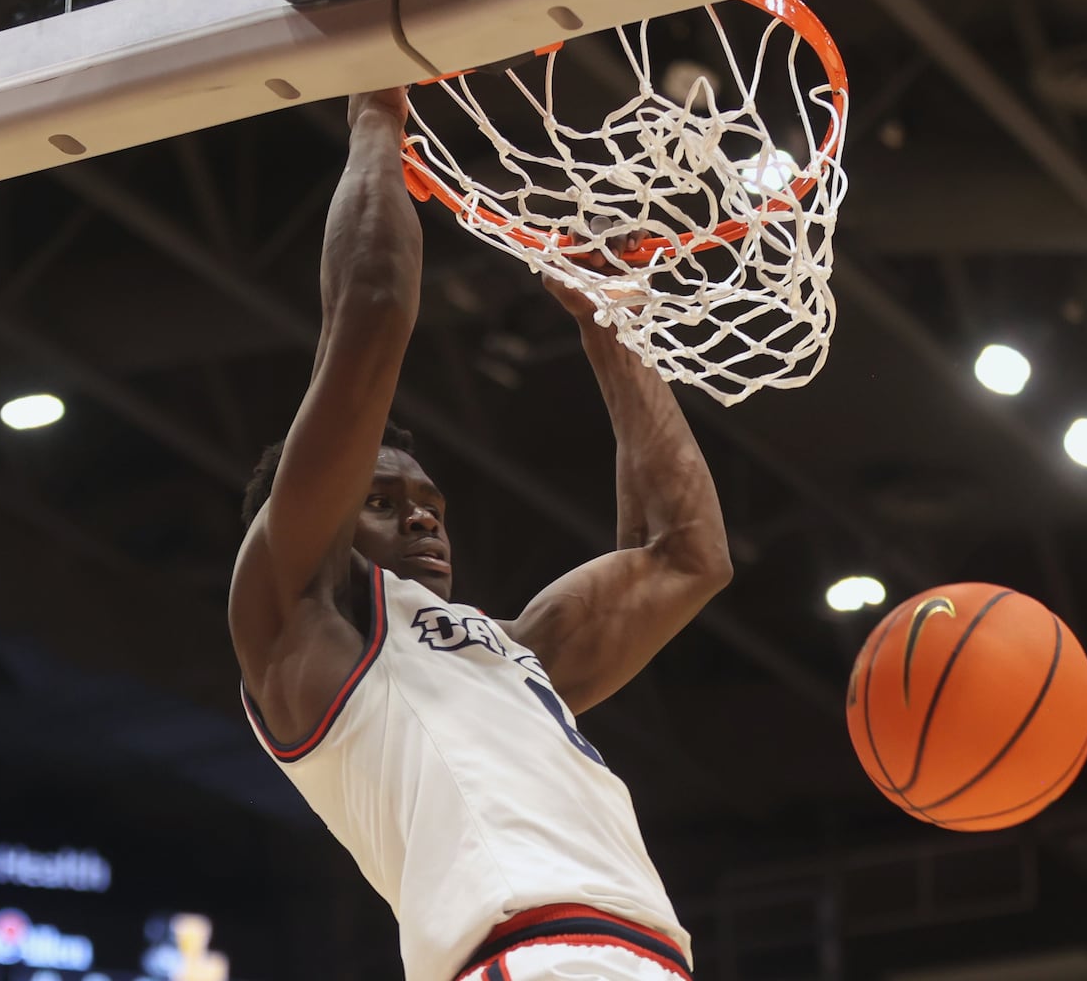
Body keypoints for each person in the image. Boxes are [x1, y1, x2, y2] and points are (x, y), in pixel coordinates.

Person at [228, 86, 732, 981]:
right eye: (381, 500)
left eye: (432, 502)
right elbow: (372, 310)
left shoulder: (514, 660)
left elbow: (685, 555)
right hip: (527, 959)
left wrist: (606, 320)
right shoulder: (300, 631)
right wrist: (376, 112)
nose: (423, 513)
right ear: (314, 513)